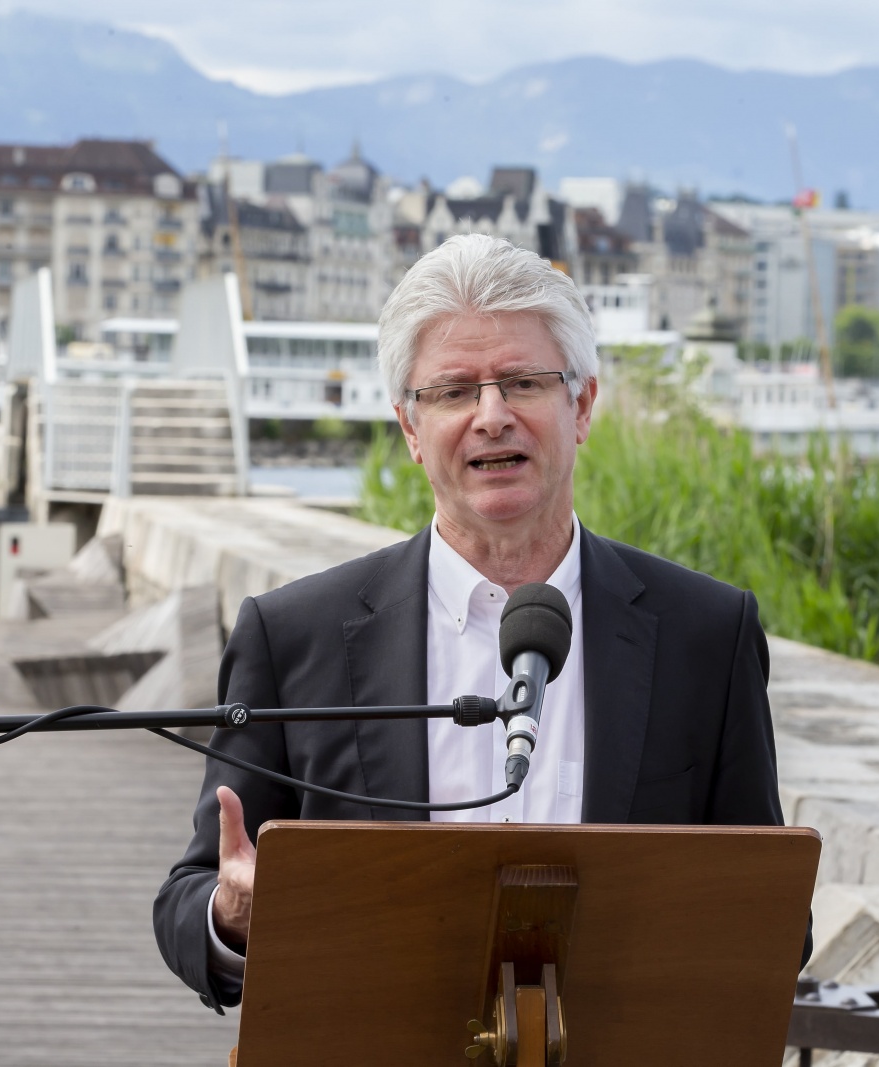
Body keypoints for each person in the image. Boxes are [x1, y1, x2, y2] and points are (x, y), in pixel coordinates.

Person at [153, 233, 798, 1012]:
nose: (492, 416)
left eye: (523, 382)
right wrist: (233, 916)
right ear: (410, 430)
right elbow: (189, 901)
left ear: (582, 405)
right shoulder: (293, 635)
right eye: (455, 391)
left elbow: (775, 916)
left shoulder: (708, 632)